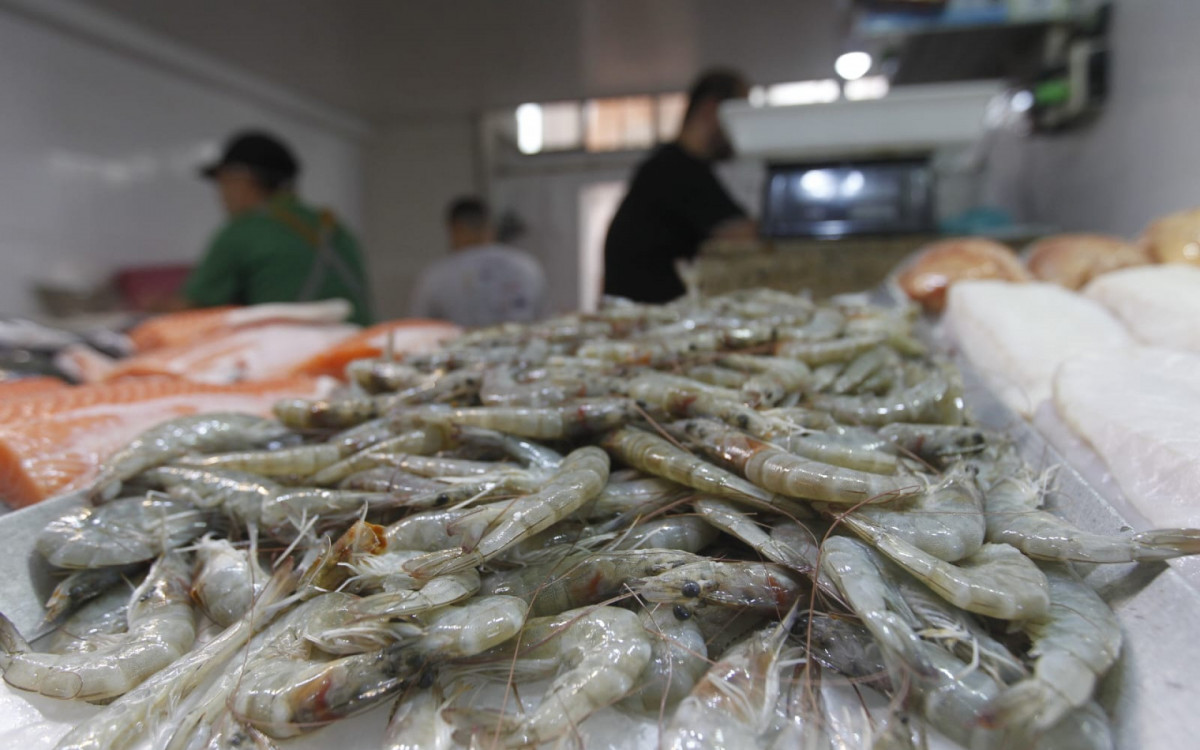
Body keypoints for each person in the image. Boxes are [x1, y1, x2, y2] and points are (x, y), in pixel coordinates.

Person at [182, 130, 373, 325]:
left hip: (297, 343)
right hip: (367, 339)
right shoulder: (335, 227)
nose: (221, 195)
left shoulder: (244, 230)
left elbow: (190, 311)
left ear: (242, 180)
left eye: (223, 182)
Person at [603, 68, 757, 303]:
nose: (743, 127)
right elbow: (741, 233)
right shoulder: (674, 169)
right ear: (713, 108)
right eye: (740, 113)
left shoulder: (677, 166)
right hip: (645, 312)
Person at [410, 197, 547, 327]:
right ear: (489, 226)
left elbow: (420, 329)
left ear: (456, 228)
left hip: (461, 343)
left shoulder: (437, 276)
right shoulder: (526, 265)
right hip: (523, 343)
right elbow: (544, 320)